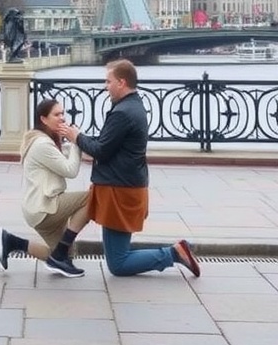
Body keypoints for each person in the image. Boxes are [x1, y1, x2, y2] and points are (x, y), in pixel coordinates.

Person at [59, 59, 201, 278]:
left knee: (118, 263)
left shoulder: (122, 112)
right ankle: (60, 251)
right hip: (125, 185)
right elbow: (109, 146)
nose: (105, 86)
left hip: (119, 190)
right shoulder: (133, 106)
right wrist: (85, 142)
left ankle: (174, 253)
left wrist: (76, 136)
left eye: (108, 81)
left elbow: (102, 150)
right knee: (117, 254)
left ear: (121, 82)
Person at [0, 98, 91, 278]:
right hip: (45, 207)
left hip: (37, 210)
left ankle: (12, 242)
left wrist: (71, 143)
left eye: (63, 113)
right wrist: (77, 140)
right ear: (44, 119)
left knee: (63, 257)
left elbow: (64, 163)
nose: (62, 118)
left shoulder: (43, 140)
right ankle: (61, 250)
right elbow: (70, 170)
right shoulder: (42, 144)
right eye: (57, 114)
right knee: (93, 197)